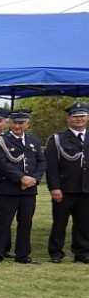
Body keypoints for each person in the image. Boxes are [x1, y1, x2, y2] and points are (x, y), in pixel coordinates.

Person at [0, 109, 45, 265]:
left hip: (29, 190)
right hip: (7, 189)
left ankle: (23, 255)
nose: (17, 126)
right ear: (10, 123)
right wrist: (20, 178)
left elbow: (41, 161)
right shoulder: (1, 140)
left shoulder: (33, 141)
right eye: (14, 123)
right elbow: (0, 162)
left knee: (26, 223)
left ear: (27, 124)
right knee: (2, 222)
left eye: (21, 123)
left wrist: (35, 179)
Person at [45, 102, 89, 263]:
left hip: (86, 189)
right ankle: (56, 252)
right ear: (68, 119)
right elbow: (51, 166)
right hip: (65, 189)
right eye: (75, 117)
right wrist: (54, 187)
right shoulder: (58, 139)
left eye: (82, 116)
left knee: (84, 223)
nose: (79, 119)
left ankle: (82, 252)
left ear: (87, 117)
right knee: (59, 223)